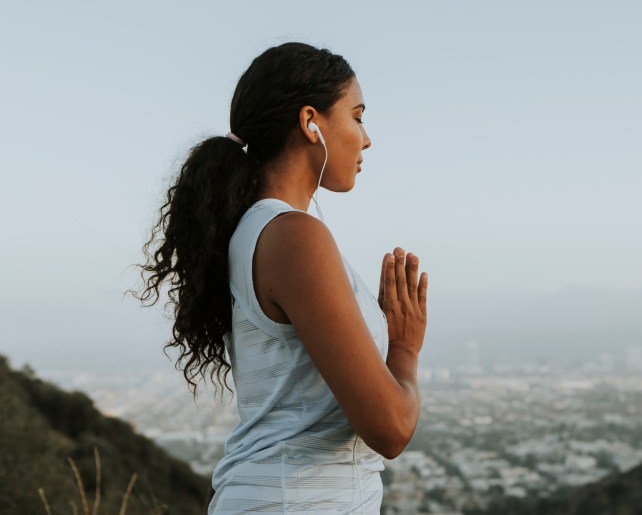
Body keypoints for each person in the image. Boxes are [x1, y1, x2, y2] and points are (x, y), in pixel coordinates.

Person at [136, 42, 429, 514]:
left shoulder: (258, 230)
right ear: (311, 121)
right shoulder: (294, 237)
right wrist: (406, 347)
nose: (367, 138)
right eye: (357, 116)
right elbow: (390, 429)